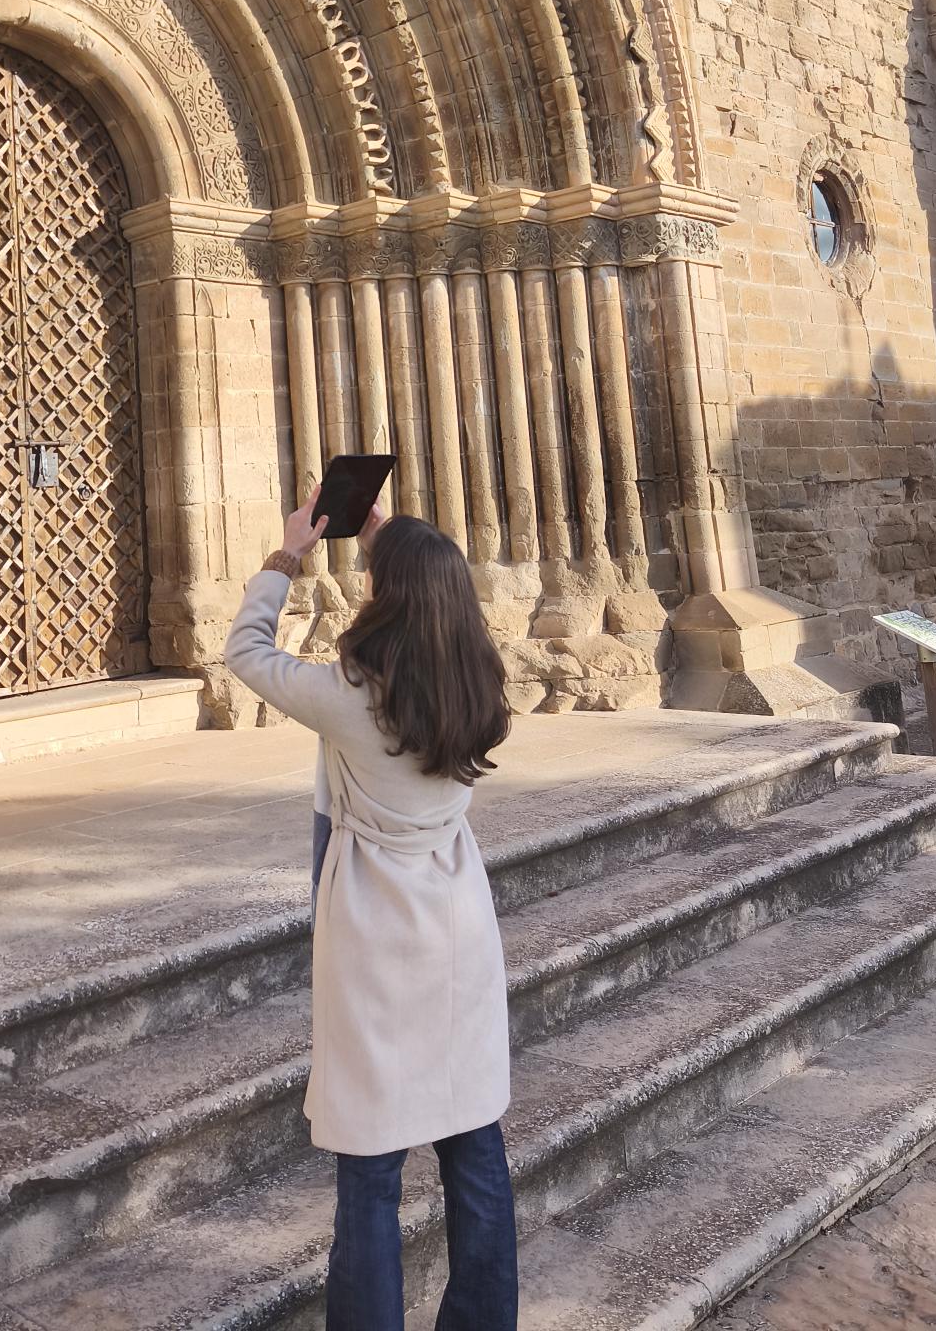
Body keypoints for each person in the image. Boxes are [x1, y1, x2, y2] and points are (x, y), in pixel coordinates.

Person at [224, 489, 518, 1331]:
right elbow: (432, 615)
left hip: (375, 937)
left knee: (371, 1168)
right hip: (459, 923)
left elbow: (245, 651)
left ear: (390, 598)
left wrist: (287, 557)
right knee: (474, 1148)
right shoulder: (480, 680)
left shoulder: (351, 696)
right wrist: (401, 551)